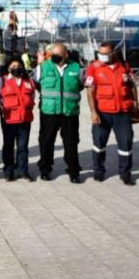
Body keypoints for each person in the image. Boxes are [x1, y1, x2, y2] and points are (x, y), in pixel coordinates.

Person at [85, 42, 139, 185]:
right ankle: (98, 171)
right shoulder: (93, 67)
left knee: (126, 143)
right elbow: (89, 91)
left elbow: (132, 85)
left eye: (105, 53)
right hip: (102, 113)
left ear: (113, 53)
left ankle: (125, 173)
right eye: (100, 53)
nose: (102, 56)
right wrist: (93, 112)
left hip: (123, 112)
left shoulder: (124, 66)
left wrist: (136, 102)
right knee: (99, 143)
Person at [34, 42, 83, 183]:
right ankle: (45, 169)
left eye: (58, 55)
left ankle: (74, 171)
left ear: (66, 54)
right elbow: (36, 84)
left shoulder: (76, 68)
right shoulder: (43, 67)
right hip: (49, 111)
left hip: (69, 112)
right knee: (46, 141)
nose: (55, 57)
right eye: (53, 54)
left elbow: (80, 85)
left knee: (71, 142)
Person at [0, 57, 35, 181]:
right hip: (8, 119)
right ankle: (8, 170)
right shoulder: (2, 80)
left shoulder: (28, 81)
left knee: (23, 147)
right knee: (8, 145)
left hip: (25, 119)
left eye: (18, 66)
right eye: (13, 66)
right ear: (8, 68)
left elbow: (32, 95)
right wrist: (3, 106)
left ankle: (23, 171)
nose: (16, 68)